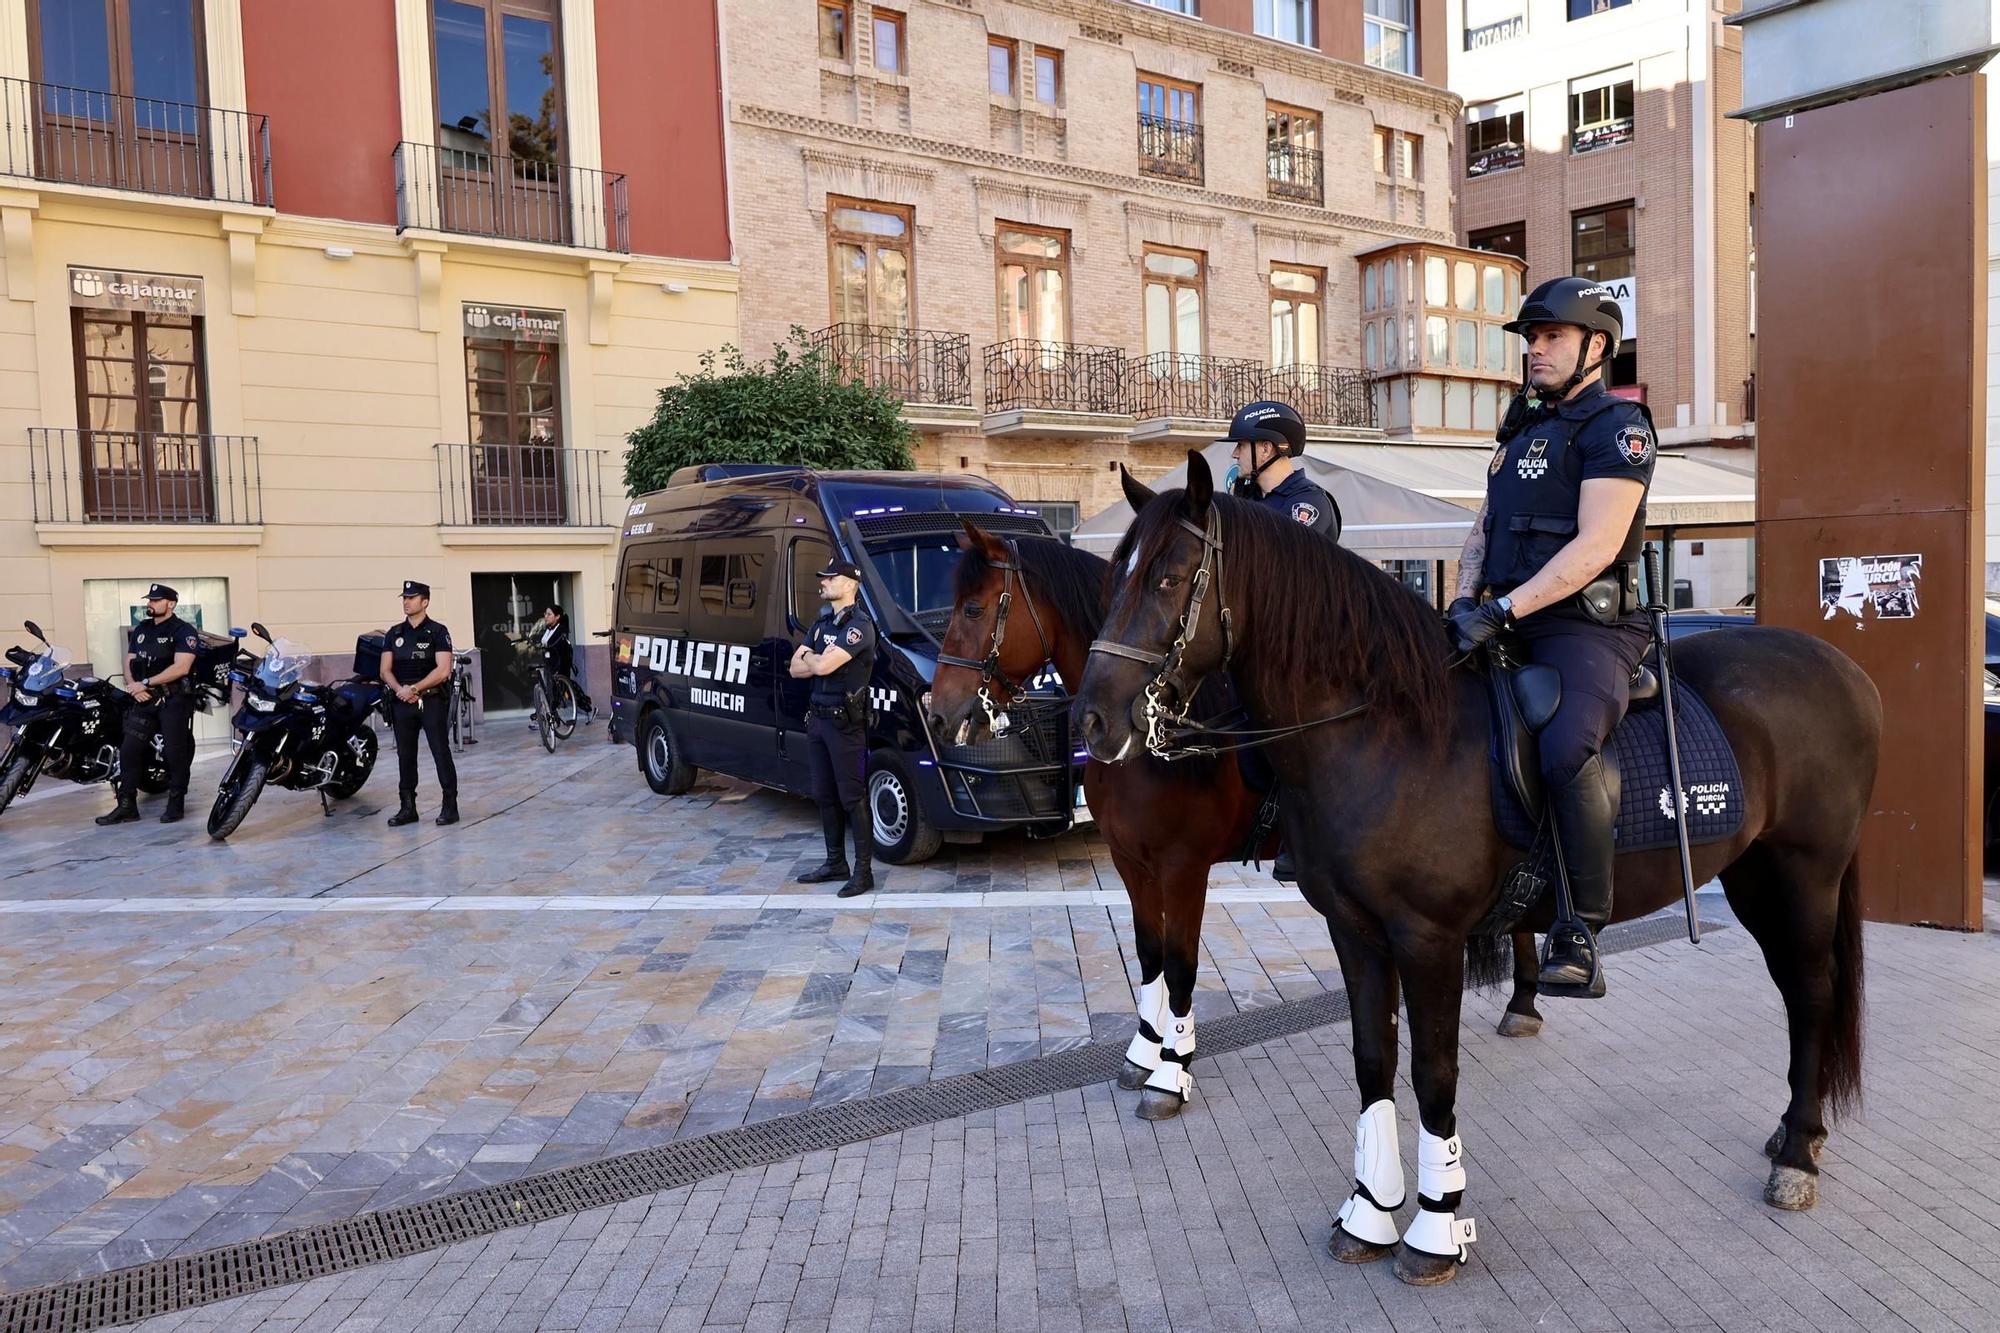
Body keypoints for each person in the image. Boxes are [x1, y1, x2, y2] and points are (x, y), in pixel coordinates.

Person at [1447, 276, 1657, 998]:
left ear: (1596, 345)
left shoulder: (1617, 430)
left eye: (1552, 337)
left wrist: (1503, 612)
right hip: (1507, 613)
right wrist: (1462, 599)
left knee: (1566, 744)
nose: (1535, 350)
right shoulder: (1520, 429)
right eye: (1531, 338)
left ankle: (1579, 930)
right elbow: (1485, 525)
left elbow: (1597, 545)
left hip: (1587, 626)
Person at [1220, 399, 1342, 882]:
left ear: (1270, 449)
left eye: (1242, 448)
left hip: (1301, 651)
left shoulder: (1305, 506)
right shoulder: (1248, 503)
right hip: (1249, 648)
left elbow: (1283, 581)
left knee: (1295, 733)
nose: (1235, 458)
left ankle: (1303, 832)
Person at [788, 557, 878, 898]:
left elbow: (821, 664)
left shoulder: (859, 627)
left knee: (852, 798)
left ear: (850, 584)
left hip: (845, 726)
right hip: (818, 721)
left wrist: (814, 659)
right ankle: (835, 862)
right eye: (823, 576)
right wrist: (815, 661)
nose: (823, 581)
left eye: (830, 577)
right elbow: (795, 668)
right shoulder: (822, 621)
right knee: (824, 795)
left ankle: (863, 872)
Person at [96, 583, 199, 826]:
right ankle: (127, 805)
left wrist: (146, 683)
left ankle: (176, 803)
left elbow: (181, 667)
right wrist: (134, 687)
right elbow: (129, 661)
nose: (150, 604)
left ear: (170, 603)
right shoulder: (142, 629)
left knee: (174, 753)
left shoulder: (184, 631)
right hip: (143, 700)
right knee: (130, 750)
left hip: (172, 700)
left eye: (155, 600)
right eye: (149, 600)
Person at [380, 580, 460, 827]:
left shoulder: (437, 631)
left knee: (440, 751)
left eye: (412, 597)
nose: (406, 601)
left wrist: (415, 688)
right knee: (405, 755)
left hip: (431, 700)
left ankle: (450, 806)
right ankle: (407, 807)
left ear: (425, 601)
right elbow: (385, 670)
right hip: (402, 702)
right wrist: (401, 691)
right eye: (404, 597)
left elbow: (444, 669)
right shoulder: (394, 633)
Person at [536, 604, 593, 719]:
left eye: (549, 614)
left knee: (563, 691)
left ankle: (587, 708)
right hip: (550, 664)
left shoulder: (561, 630)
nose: (546, 616)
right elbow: (543, 642)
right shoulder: (548, 630)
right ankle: (549, 716)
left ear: (557, 617)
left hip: (560, 664)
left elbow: (553, 644)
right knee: (559, 691)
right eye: (545, 614)